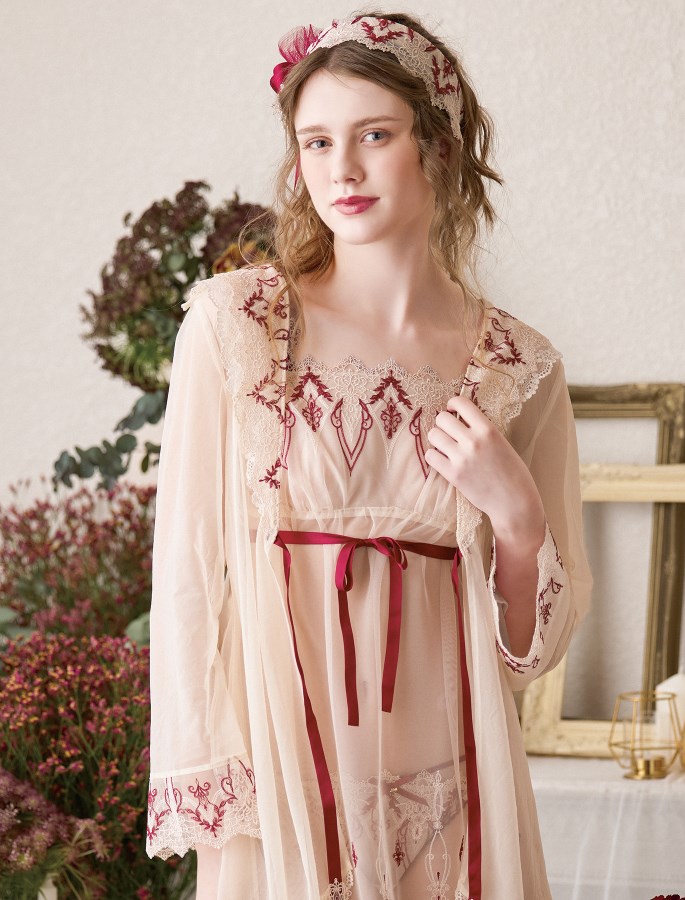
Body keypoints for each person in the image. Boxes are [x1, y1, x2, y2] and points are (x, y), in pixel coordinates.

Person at [145, 11, 592, 899]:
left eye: (374, 135)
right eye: (317, 142)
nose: (341, 170)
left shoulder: (515, 366)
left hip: (454, 785)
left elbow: (529, 653)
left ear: (439, 147)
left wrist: (516, 517)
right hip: (283, 777)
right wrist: (208, 790)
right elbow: (187, 579)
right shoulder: (238, 327)